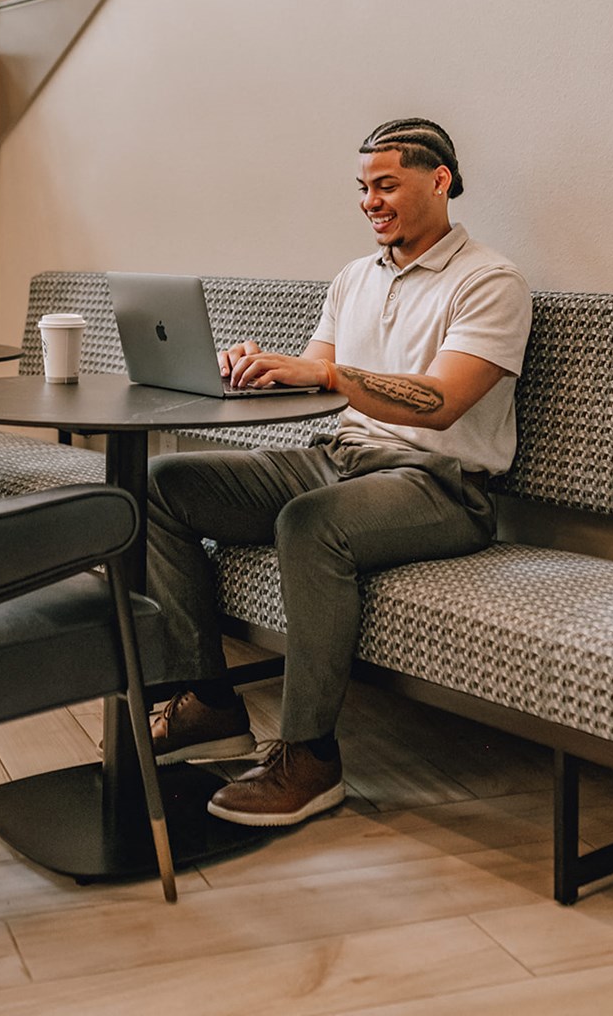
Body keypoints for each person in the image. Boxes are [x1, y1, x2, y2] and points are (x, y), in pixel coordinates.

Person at [146, 117, 533, 827]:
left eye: (386, 184)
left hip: (440, 485)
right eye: (362, 188)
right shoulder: (355, 277)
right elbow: (319, 380)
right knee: (165, 486)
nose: (370, 201)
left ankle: (311, 758)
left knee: (309, 524)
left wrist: (322, 370)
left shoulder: (490, 282)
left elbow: (442, 403)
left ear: (439, 180)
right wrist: (255, 370)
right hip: (340, 459)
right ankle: (209, 703)